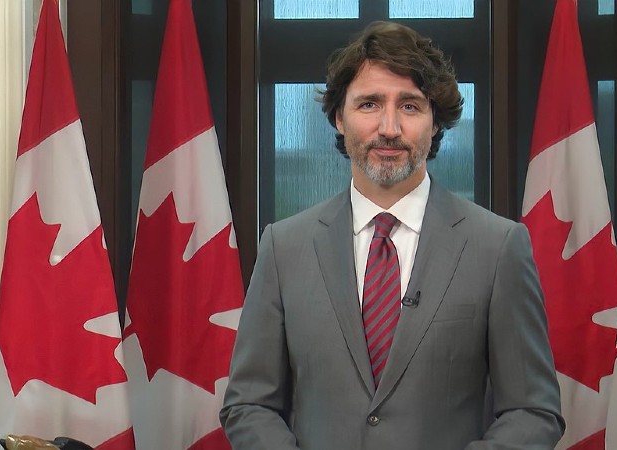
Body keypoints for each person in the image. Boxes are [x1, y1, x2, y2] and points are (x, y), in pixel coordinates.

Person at [221, 21, 564, 450]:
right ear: (338, 118)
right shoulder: (283, 248)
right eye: (368, 104)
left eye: (410, 106)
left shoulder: (498, 247)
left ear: (435, 121)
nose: (388, 127)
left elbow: (533, 412)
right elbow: (248, 404)